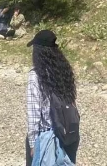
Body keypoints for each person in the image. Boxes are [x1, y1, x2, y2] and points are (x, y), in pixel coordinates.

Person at [26, 30, 79, 165]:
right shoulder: (63, 70)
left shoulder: (36, 76)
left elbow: (34, 114)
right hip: (67, 133)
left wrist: (33, 144)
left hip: (46, 136)